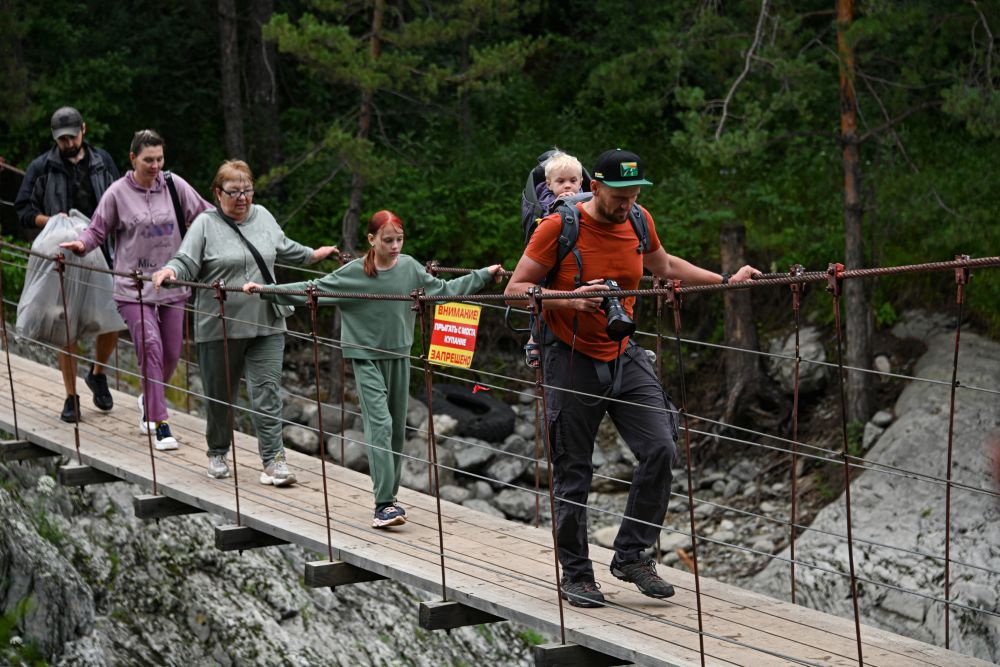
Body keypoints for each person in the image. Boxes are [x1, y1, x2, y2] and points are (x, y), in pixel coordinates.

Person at [505, 148, 758, 608]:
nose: (627, 202)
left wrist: (725, 281)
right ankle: (577, 575)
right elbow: (515, 291)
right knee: (574, 469)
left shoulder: (639, 220)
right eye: (619, 194)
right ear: (595, 187)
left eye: (634, 193)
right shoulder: (558, 227)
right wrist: (568, 299)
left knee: (661, 445)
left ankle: (631, 554)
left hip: (624, 353)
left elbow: (664, 267)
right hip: (570, 357)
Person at [243, 210, 502, 528]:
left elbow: (445, 290)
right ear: (372, 240)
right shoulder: (354, 274)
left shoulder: (409, 268)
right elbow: (314, 288)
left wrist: (484, 275)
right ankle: (383, 504)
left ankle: (391, 500)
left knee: (396, 432)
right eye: (388, 240)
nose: (395, 246)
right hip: (365, 359)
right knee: (379, 425)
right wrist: (266, 290)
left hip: (399, 358)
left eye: (399, 240)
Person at [151, 160, 338, 486]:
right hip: (218, 327)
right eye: (234, 192)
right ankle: (218, 451)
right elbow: (186, 260)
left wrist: (313, 255)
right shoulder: (205, 224)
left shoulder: (263, 216)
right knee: (220, 396)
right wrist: (170, 272)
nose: (242, 198)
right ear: (217, 193)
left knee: (267, 393)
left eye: (247, 191)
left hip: (266, 322)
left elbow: (283, 247)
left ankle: (273, 460)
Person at [60, 130, 212, 450]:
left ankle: (148, 397)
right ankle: (160, 423)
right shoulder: (117, 193)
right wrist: (81, 244)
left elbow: (205, 215)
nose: (155, 165)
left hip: (173, 282)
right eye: (148, 160)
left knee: (171, 353)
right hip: (133, 286)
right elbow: (97, 230)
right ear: (133, 158)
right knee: (151, 345)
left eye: (159, 159)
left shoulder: (174, 185)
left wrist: (237, 218)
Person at [13, 106, 121, 423]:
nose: (68, 143)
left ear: (83, 131)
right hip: (63, 254)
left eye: (72, 137)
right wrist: (54, 221)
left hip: (102, 249)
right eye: (61, 139)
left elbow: (120, 198)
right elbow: (22, 209)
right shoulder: (41, 167)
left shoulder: (103, 162)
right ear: (54, 138)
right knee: (66, 324)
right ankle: (70, 396)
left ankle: (98, 373)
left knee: (113, 316)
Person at [523, 150, 585, 368]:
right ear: (549, 184)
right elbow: (546, 217)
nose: (568, 186)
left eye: (573, 181)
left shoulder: (589, 197)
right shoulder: (547, 199)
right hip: (548, 259)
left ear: (581, 181)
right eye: (561, 181)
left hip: (575, 259)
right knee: (538, 294)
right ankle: (534, 337)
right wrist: (561, 204)